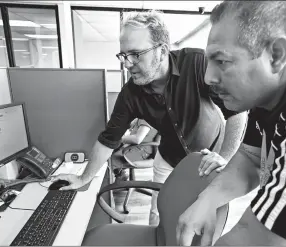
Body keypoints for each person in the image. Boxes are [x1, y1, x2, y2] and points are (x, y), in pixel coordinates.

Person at [52, 10, 247, 226]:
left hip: (209, 155)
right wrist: (82, 178)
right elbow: (109, 139)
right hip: (168, 157)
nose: (127, 63)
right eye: (123, 55)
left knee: (201, 218)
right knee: (157, 215)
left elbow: (236, 112)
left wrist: (225, 159)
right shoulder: (130, 94)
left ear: (162, 51)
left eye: (135, 54)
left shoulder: (196, 63)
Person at [176, 1, 286, 245]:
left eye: (222, 61)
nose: (208, 77)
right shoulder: (267, 95)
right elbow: (251, 158)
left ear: (276, 55)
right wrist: (209, 199)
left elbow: (257, 240)